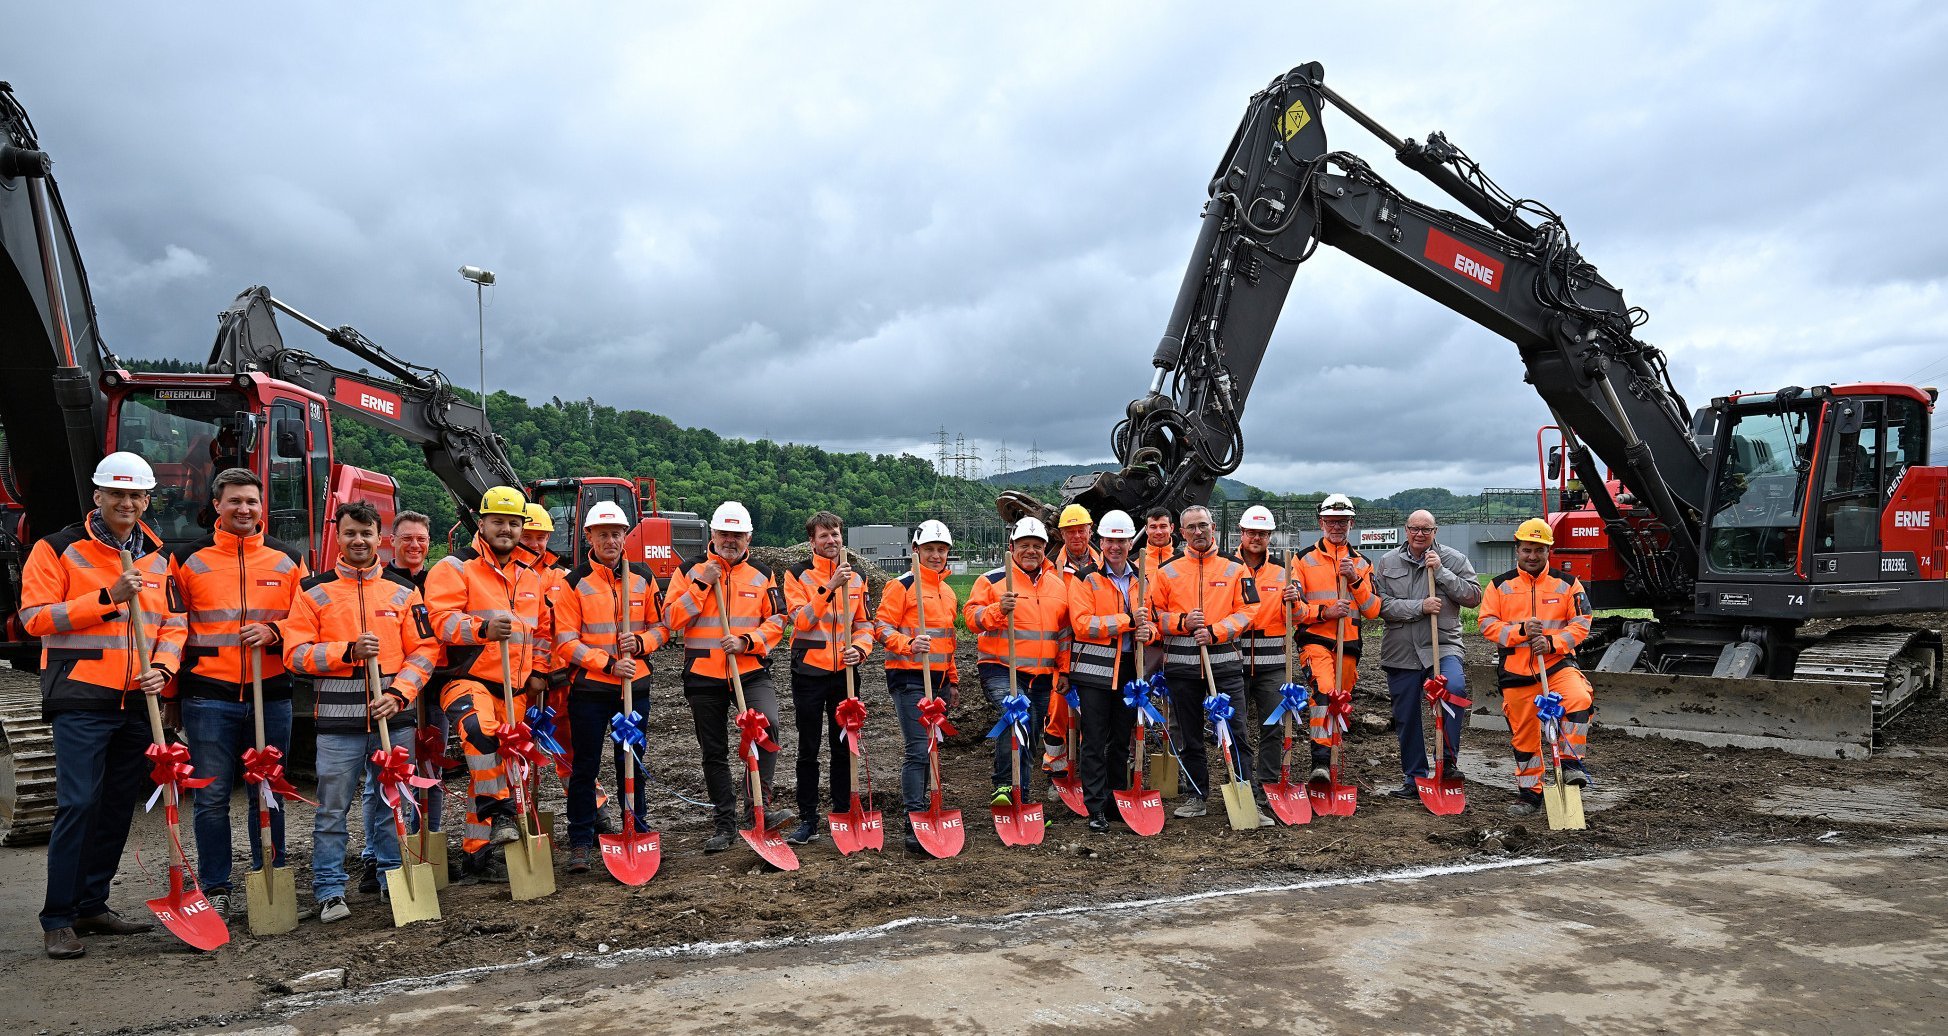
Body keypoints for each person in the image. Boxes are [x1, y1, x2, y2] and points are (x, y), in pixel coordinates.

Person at [22, 452, 183, 958]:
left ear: (147, 500)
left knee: (117, 806)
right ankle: (59, 917)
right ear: (98, 496)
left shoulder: (159, 556)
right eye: (117, 494)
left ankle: (93, 903)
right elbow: (34, 619)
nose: (127, 502)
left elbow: (174, 624)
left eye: (136, 495)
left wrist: (165, 668)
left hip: (138, 701)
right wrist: (107, 597)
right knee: (78, 804)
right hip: (80, 697)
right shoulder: (57, 549)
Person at [284, 501, 439, 921]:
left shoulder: (404, 591)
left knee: (394, 803)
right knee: (333, 808)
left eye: (366, 533)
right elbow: (295, 655)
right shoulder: (313, 590)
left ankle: (392, 873)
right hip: (338, 722)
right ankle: (330, 889)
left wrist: (400, 695)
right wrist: (347, 652)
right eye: (350, 532)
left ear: (379, 538)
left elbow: (424, 651)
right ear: (338, 534)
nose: (358, 540)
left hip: (394, 718)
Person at [167, 467, 307, 917]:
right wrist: (171, 696)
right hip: (208, 694)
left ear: (261, 506)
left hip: (272, 692)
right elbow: (171, 629)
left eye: (251, 501)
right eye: (234, 501)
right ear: (217, 507)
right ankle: (217, 886)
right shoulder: (187, 559)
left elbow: (309, 622)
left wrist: (275, 631)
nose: (243, 509)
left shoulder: (288, 559)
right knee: (210, 796)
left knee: (269, 789)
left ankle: (271, 874)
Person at [425, 486, 553, 880]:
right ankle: (499, 815)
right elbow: (440, 620)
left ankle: (476, 854)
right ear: (481, 524)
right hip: (468, 679)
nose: (507, 529)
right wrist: (480, 628)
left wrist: (540, 672)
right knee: (480, 738)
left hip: (515, 691)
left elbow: (544, 631)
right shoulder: (454, 567)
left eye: (514, 523)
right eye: (498, 521)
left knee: (494, 767)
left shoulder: (530, 575)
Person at [660, 501, 790, 852]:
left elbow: (777, 620)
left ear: (749, 537)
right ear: (713, 535)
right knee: (713, 750)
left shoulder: (763, 574)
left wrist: (748, 642)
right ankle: (725, 822)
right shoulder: (688, 571)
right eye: (724, 534)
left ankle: (757, 808)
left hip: (748, 670)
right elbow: (671, 619)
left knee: (769, 726)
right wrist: (701, 585)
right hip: (703, 673)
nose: (730, 540)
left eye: (737, 535)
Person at [551, 502, 669, 873]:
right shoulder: (574, 583)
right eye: (603, 533)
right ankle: (581, 839)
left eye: (617, 533)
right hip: (590, 690)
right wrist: (607, 664)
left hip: (635, 688)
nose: (611, 540)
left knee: (630, 761)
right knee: (585, 767)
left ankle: (637, 826)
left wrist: (643, 643)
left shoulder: (643, 578)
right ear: (589, 536)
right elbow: (565, 642)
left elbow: (663, 627)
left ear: (625, 537)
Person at [1146, 505, 1264, 822]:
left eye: (1203, 525)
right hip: (1182, 669)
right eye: (1191, 528)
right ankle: (1197, 796)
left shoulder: (1235, 568)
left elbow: (1248, 612)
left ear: (1213, 527)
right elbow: (1155, 615)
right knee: (1190, 735)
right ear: (1181, 533)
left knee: (1236, 731)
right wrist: (1184, 621)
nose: (1198, 532)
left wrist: (1215, 631)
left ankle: (1245, 795)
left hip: (1224, 667)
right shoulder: (1167, 572)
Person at [1476, 519, 1595, 816]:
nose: (1532, 556)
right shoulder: (1499, 586)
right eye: (1527, 550)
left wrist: (1553, 643)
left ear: (1548, 552)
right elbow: (1486, 624)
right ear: (1516, 550)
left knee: (1579, 699)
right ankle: (1530, 794)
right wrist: (1520, 633)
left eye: (1539, 550)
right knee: (1524, 737)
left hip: (1556, 666)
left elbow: (1582, 624)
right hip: (1515, 672)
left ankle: (1570, 764)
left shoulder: (1568, 585)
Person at [780, 511, 874, 846]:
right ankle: (807, 818)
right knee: (808, 747)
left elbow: (864, 625)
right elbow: (801, 621)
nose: (831, 540)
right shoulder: (796, 575)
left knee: (843, 745)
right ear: (812, 541)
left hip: (844, 673)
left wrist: (860, 650)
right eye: (823, 536)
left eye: (835, 534)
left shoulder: (858, 576)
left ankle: (841, 811)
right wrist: (830, 587)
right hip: (808, 671)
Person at [1374, 511, 1482, 799]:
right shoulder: (1387, 562)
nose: (1420, 534)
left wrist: (1443, 574)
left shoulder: (1455, 559)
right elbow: (1379, 605)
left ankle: (1446, 763)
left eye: (1426, 529)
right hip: (1401, 649)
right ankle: (1415, 777)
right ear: (1406, 530)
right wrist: (1418, 607)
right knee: (1406, 715)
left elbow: (1473, 597)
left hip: (1442, 645)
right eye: (1414, 529)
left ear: (1436, 530)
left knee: (1453, 689)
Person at [966, 517, 1071, 808]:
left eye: (1037, 546)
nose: (1031, 551)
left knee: (1031, 736)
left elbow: (1063, 633)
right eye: (1024, 545)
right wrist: (998, 610)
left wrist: (1063, 669)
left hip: (1041, 676)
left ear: (1045, 550)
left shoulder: (1056, 584)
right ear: (1011, 547)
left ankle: (1021, 798)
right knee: (1016, 721)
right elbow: (971, 619)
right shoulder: (992, 580)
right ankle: (1004, 787)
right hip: (1001, 668)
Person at [1064, 509, 1154, 832]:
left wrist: (1149, 632)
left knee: (1120, 740)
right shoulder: (1085, 578)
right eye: (1110, 540)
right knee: (1094, 740)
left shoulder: (1140, 578)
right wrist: (1127, 623)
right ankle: (1096, 807)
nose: (1115, 546)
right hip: (1094, 672)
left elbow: (1151, 622)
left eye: (1121, 540)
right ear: (1100, 542)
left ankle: (1117, 801)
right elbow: (1082, 624)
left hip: (1129, 669)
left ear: (1130, 542)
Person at [874, 520, 960, 853]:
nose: (936, 555)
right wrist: (908, 643)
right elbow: (880, 627)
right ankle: (914, 817)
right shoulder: (902, 586)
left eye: (941, 550)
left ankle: (928, 810)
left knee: (931, 749)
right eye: (930, 550)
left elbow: (948, 641)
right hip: (908, 677)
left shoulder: (948, 591)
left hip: (937, 679)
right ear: (916, 550)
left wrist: (951, 678)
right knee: (917, 749)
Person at [1289, 494, 1380, 781]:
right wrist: (1324, 613)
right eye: (1331, 521)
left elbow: (1373, 610)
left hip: (1349, 644)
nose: (1336, 527)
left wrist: (1355, 580)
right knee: (1324, 693)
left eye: (1342, 521)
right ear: (1321, 523)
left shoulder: (1363, 563)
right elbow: (1294, 611)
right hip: (1315, 639)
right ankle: (1320, 762)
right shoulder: (1303, 559)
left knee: (1341, 700)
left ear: (1351, 523)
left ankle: (1334, 756)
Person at [1234, 505, 1304, 796]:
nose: (1256, 538)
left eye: (1262, 533)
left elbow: (1300, 617)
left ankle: (1268, 784)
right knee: (1235, 728)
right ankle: (1240, 783)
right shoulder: (1227, 567)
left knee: (1274, 725)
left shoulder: (1284, 570)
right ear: (1242, 533)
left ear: (1270, 537)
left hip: (1273, 663)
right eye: (1252, 532)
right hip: (1233, 662)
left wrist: (1295, 602)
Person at [387, 510, 434, 587]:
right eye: (407, 538)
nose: (415, 545)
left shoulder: (438, 583)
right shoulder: (378, 583)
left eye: (421, 539)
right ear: (392, 540)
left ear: (428, 541)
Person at [1141, 506, 1179, 573]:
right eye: (1153, 527)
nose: (1158, 532)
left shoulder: (1183, 559)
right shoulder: (1133, 563)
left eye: (1163, 526)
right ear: (1146, 529)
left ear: (1172, 528)